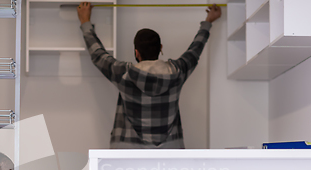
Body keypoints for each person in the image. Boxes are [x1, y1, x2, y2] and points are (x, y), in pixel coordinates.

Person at [77, 2, 222, 149]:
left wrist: (85, 21)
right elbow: (195, 50)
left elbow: (98, 55)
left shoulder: (124, 74)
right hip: (169, 153)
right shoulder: (178, 72)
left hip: (127, 153)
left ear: (136, 52)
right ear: (160, 48)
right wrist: (208, 21)